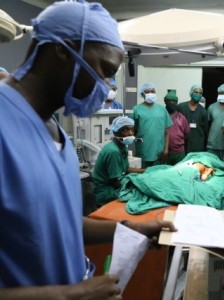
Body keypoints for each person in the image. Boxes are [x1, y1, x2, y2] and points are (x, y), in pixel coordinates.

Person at [0, 1, 176, 298]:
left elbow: (59, 225)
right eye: (105, 70)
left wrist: (129, 228)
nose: (106, 86)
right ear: (63, 50)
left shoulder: (56, 131)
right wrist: (68, 295)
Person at [93, 116, 145, 207]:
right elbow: (116, 182)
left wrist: (145, 171)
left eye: (132, 130)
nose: (130, 133)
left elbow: (126, 168)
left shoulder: (121, 146)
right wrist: (139, 183)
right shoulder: (114, 151)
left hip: (113, 186)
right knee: (139, 196)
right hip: (106, 192)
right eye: (125, 130)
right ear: (115, 132)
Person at [132, 82, 173, 167]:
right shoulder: (137, 109)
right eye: (147, 92)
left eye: (152, 91)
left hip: (159, 151)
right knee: (143, 175)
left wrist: (166, 149)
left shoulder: (162, 109)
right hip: (143, 149)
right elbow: (133, 130)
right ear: (142, 94)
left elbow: (167, 132)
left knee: (157, 176)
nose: (150, 93)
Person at [177, 84, 208, 153]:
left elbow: (206, 130)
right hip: (182, 141)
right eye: (196, 92)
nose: (198, 94)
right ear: (191, 93)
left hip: (197, 143)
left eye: (200, 93)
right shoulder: (181, 107)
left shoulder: (203, 111)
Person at [164, 91, 190, 165]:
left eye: (174, 101)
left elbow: (186, 134)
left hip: (179, 152)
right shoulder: (162, 116)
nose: (171, 103)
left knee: (179, 172)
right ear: (165, 102)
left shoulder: (182, 118)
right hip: (164, 152)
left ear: (177, 102)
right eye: (169, 101)